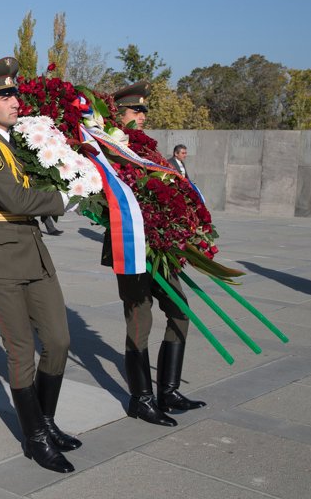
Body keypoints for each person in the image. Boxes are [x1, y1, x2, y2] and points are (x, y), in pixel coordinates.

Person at [0, 57, 77, 473]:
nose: (14, 100)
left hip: (31, 249)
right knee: (21, 350)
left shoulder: (17, 144)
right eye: (4, 95)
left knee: (59, 340)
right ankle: (35, 438)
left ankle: (46, 422)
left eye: (15, 93)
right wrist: (64, 199)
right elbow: (15, 200)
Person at [103, 82, 205, 428]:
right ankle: (141, 399)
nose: (142, 116)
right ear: (118, 114)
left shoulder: (150, 150)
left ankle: (169, 391)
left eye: (144, 110)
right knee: (140, 321)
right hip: (131, 247)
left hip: (161, 245)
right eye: (135, 111)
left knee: (180, 310)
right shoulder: (107, 147)